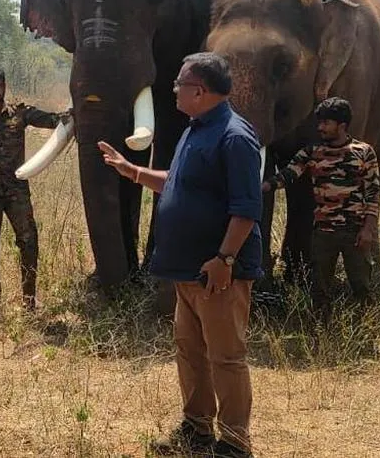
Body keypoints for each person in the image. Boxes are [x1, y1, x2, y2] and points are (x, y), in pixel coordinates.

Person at [98, 52, 262, 458]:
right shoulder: (196, 129)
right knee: (190, 351)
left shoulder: (235, 137)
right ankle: (197, 428)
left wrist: (225, 260)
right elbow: (177, 181)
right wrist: (133, 171)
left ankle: (234, 443)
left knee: (225, 356)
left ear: (200, 91)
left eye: (179, 84)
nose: (174, 90)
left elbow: (246, 210)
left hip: (216, 272)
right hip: (187, 271)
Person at [0, 69, 67, 317]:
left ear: (5, 85)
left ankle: (29, 302)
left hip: (17, 192)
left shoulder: (20, 112)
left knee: (29, 241)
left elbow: (51, 120)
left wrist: (71, 115)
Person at [264, 97, 380, 311]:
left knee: (361, 285)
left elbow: (373, 193)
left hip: (355, 231)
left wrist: (368, 229)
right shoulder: (312, 152)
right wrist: (265, 186)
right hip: (323, 232)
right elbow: (289, 174)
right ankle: (321, 326)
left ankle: (368, 323)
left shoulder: (364, 152)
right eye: (320, 123)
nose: (320, 128)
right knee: (319, 288)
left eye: (326, 123)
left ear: (342, 125)